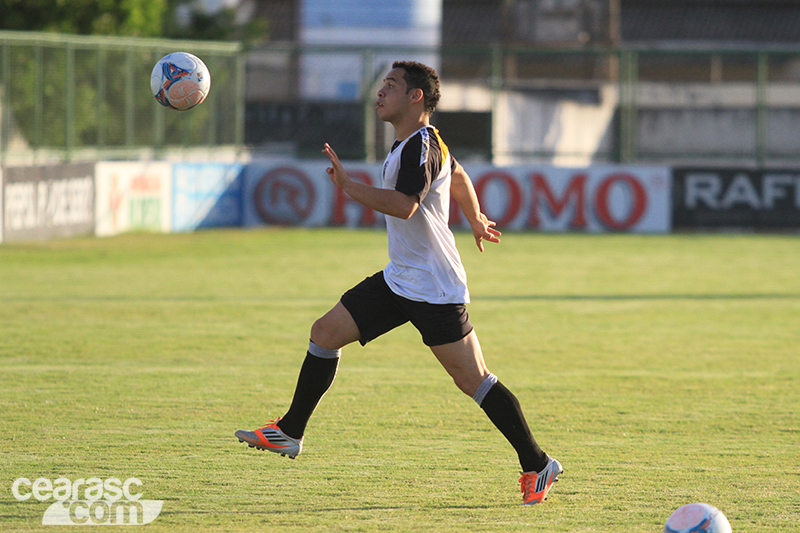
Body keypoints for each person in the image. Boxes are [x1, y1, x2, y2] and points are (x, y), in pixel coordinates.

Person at [236, 60, 562, 505]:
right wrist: (475, 217)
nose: (380, 93)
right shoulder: (418, 143)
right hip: (400, 280)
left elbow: (405, 205)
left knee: (474, 380)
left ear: (416, 97)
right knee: (324, 332)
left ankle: (538, 463)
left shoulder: (420, 146)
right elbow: (461, 174)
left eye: (390, 86)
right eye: (381, 85)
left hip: (433, 288)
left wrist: (350, 187)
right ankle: (289, 431)